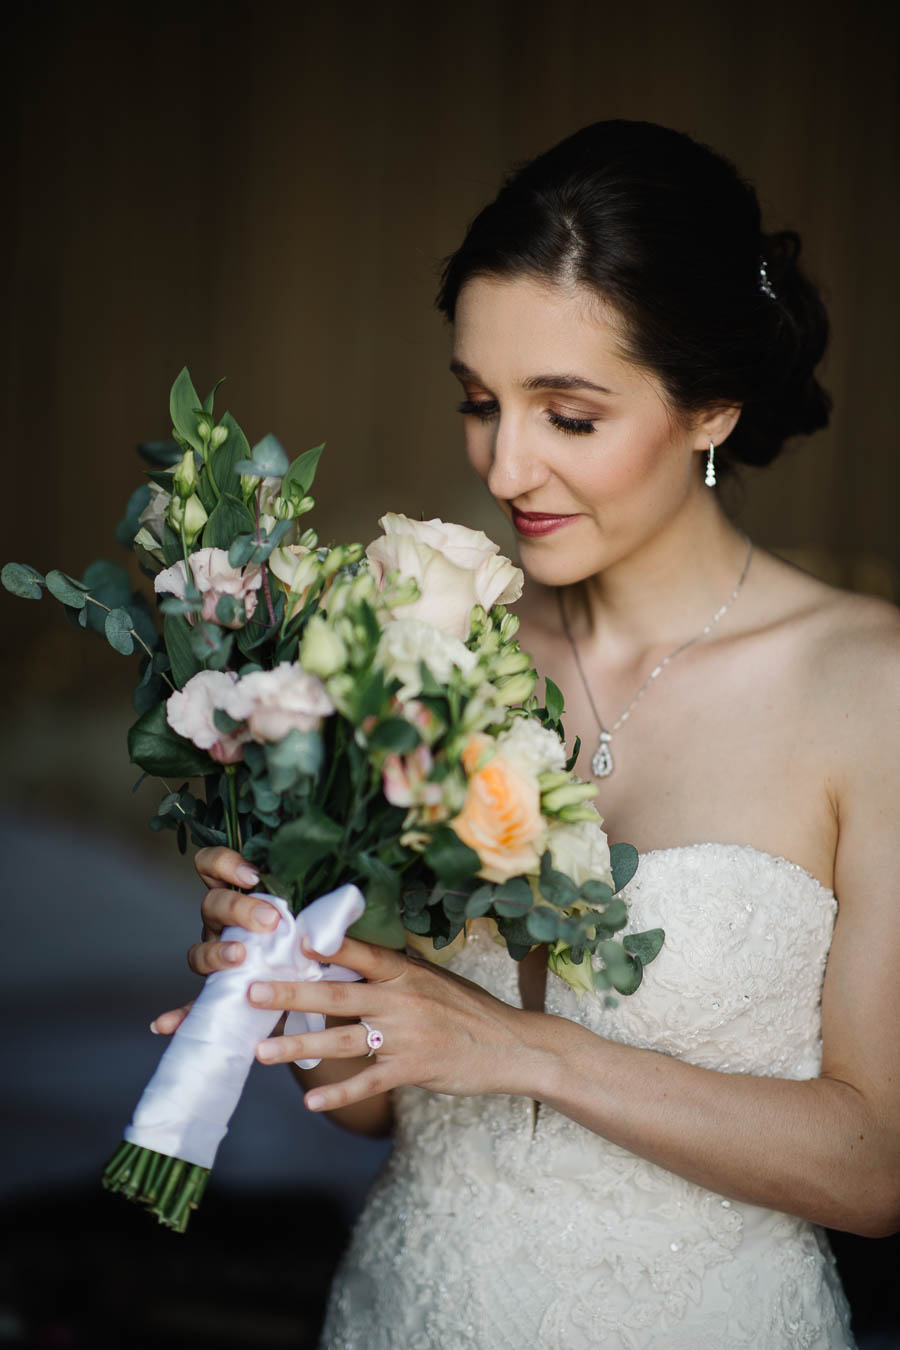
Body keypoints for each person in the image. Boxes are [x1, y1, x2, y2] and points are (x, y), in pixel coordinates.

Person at [154, 121, 900, 1347]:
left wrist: (524, 1049)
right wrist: (293, 972)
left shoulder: (868, 686)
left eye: (570, 415)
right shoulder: (417, 650)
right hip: (412, 1303)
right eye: (480, 402)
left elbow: (876, 1169)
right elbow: (380, 1106)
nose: (506, 469)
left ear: (710, 406)